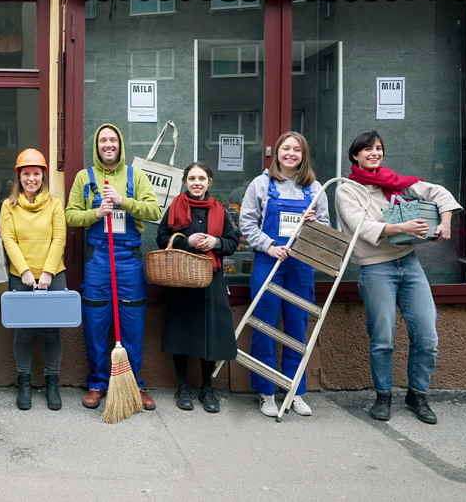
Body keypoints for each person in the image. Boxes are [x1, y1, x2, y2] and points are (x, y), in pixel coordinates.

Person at [336, 131, 461, 425]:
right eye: (367, 149)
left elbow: (439, 193)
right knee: (382, 339)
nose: (374, 153)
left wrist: (444, 223)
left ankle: (417, 394)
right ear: (355, 155)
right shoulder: (347, 189)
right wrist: (402, 228)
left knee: (427, 335)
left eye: (378, 148)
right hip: (376, 268)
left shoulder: (394, 181)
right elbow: (360, 226)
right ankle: (383, 397)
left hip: (410, 263)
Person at [65, 124, 161, 410]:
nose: (108, 144)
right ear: (96, 146)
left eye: (113, 140)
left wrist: (125, 202)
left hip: (129, 260)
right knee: (95, 325)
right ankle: (97, 383)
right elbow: (70, 216)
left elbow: (155, 211)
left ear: (120, 145)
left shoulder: (136, 175)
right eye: (103, 140)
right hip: (98, 261)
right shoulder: (85, 177)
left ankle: (134, 384)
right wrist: (96, 213)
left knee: (132, 326)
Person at [239, 131, 330, 418]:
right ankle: (266, 393)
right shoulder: (261, 184)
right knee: (264, 327)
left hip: (301, 266)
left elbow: (325, 230)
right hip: (269, 263)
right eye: (286, 149)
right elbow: (246, 223)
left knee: (296, 328)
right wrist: (269, 246)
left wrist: (314, 225)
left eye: (297, 150)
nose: (291, 154)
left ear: (304, 156)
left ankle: (295, 391)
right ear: (276, 152)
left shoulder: (314, 189)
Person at [156, 162, 239, 413]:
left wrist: (215, 241)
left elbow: (233, 243)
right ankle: (182, 387)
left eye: (202, 178)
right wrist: (186, 241)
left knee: (210, 335)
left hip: (211, 280)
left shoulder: (220, 210)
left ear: (209, 182)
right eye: (192, 178)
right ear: (185, 181)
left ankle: (207, 388)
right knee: (181, 332)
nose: (197, 183)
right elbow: (161, 238)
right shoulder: (175, 207)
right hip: (181, 279)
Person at [0, 148, 67, 411]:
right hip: (20, 277)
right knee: (24, 333)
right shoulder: (9, 206)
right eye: (26, 173)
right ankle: (24, 382)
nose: (31, 179)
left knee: (52, 332)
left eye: (36, 173)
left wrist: (48, 271)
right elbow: (9, 240)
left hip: (54, 276)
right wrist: (25, 271)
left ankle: (52, 382)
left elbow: (58, 238)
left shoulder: (54, 204)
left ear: (43, 176)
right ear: (19, 177)